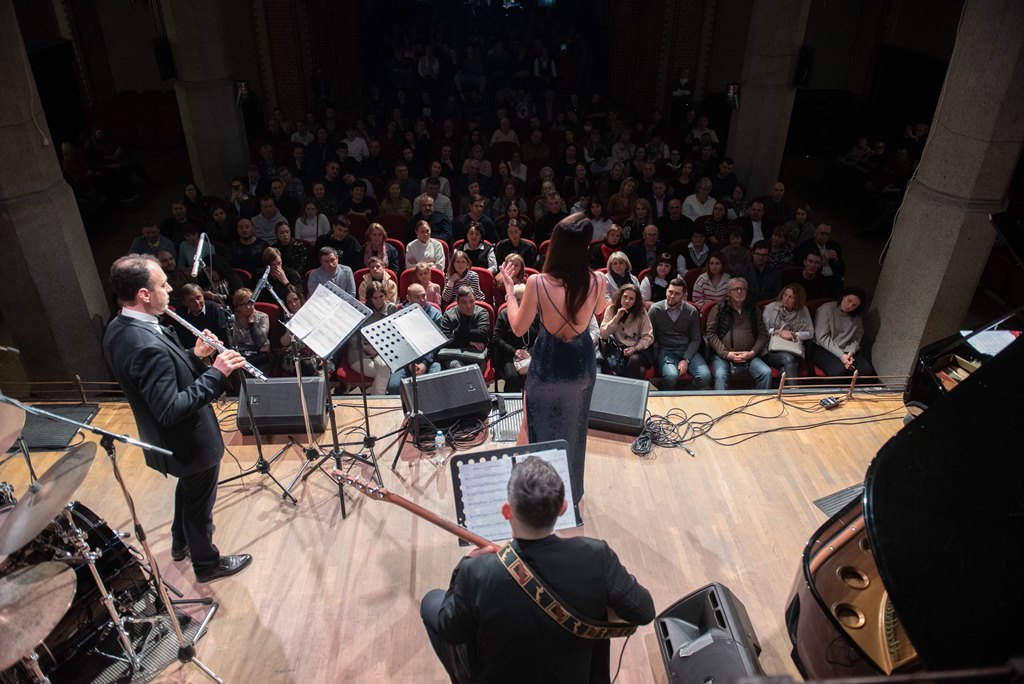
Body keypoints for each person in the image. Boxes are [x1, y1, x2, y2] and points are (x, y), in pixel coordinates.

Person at [419, 456, 654, 683]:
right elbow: (644, 612)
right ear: (562, 508)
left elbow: (450, 630)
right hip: (575, 676)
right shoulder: (596, 556)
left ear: (507, 512)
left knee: (432, 602)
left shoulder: (476, 572)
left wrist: (463, 566)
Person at [103, 255, 252, 583]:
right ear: (144, 294)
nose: (170, 289)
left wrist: (194, 355)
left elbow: (159, 375)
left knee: (190, 490)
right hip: (188, 441)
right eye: (163, 284)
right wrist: (216, 373)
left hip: (169, 442)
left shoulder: (120, 326)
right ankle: (206, 563)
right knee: (200, 505)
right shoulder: (144, 344)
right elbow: (170, 408)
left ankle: (180, 541)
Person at [499, 213, 607, 504]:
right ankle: (569, 494)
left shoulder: (537, 282)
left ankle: (534, 494)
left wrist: (509, 292)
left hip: (548, 365)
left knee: (536, 427)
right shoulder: (599, 280)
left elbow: (518, 327)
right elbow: (598, 310)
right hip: (581, 366)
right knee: (574, 431)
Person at [705, 278, 772, 390]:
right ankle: (721, 402)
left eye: (742, 289)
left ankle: (761, 401)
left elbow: (763, 334)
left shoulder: (753, 309)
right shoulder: (719, 308)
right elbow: (711, 334)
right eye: (736, 289)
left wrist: (752, 352)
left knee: (766, 372)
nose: (739, 292)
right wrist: (726, 354)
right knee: (721, 375)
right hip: (723, 356)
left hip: (749, 356)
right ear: (729, 292)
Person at [648, 278, 711, 390]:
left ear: (683, 295)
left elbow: (696, 338)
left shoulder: (691, 311)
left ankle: (686, 392)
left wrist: (686, 359)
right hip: (666, 350)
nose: (672, 296)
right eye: (670, 292)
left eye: (677, 294)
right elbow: (649, 334)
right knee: (671, 377)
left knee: (705, 376)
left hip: (686, 348)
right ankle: (666, 394)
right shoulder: (655, 309)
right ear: (666, 291)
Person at [387, 283, 444, 394]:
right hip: (406, 360)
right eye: (417, 297)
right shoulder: (400, 315)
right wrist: (410, 363)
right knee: (394, 386)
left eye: (424, 295)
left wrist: (425, 363)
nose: (422, 300)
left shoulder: (435, 314)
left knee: (434, 383)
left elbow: (436, 344)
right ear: (408, 298)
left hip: (430, 359)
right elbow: (399, 343)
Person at [812, 287, 877, 378]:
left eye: (854, 305)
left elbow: (857, 337)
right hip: (824, 348)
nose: (849, 306)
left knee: (867, 371)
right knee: (839, 371)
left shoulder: (857, 317)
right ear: (843, 296)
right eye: (849, 301)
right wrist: (842, 356)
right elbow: (822, 338)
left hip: (846, 349)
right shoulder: (826, 309)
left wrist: (850, 352)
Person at [348, 281, 396, 394]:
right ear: (369, 298)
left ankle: (375, 400)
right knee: (384, 373)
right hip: (359, 351)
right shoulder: (361, 309)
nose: (379, 301)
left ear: (385, 296)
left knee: (384, 368)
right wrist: (365, 347)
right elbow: (352, 335)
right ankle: (379, 400)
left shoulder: (391, 308)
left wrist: (380, 348)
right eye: (375, 298)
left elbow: (394, 333)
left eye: (381, 297)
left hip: (381, 350)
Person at [599, 284, 654, 378]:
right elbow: (603, 334)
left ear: (635, 301)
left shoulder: (641, 312)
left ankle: (626, 386)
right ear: (620, 296)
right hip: (617, 347)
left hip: (638, 348)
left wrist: (635, 348)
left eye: (631, 299)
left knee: (634, 361)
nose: (627, 301)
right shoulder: (611, 309)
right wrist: (616, 318)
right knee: (640, 371)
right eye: (625, 297)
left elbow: (648, 336)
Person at [762, 284, 813, 382]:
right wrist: (778, 332)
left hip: (794, 350)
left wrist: (796, 335)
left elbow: (810, 333)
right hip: (772, 350)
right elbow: (762, 331)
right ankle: (794, 390)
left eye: (791, 297)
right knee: (788, 359)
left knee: (784, 370)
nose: (786, 299)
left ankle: (784, 389)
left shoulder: (803, 310)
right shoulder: (771, 308)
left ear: (798, 300)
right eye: (785, 295)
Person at [492, 283, 538, 393]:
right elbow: (496, 338)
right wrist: (515, 352)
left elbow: (541, 337)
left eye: (519, 299)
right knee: (512, 378)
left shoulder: (535, 314)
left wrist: (529, 352)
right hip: (509, 355)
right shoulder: (504, 314)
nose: (516, 303)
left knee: (539, 376)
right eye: (514, 299)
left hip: (531, 353)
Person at [438, 286, 491, 371]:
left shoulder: (482, 312)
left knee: (475, 370)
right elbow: (445, 341)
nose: (468, 306)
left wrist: (456, 332)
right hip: (453, 353)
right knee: (456, 366)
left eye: (471, 301)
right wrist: (470, 342)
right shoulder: (448, 315)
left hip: (476, 353)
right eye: (464, 302)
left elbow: (481, 334)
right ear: (457, 302)